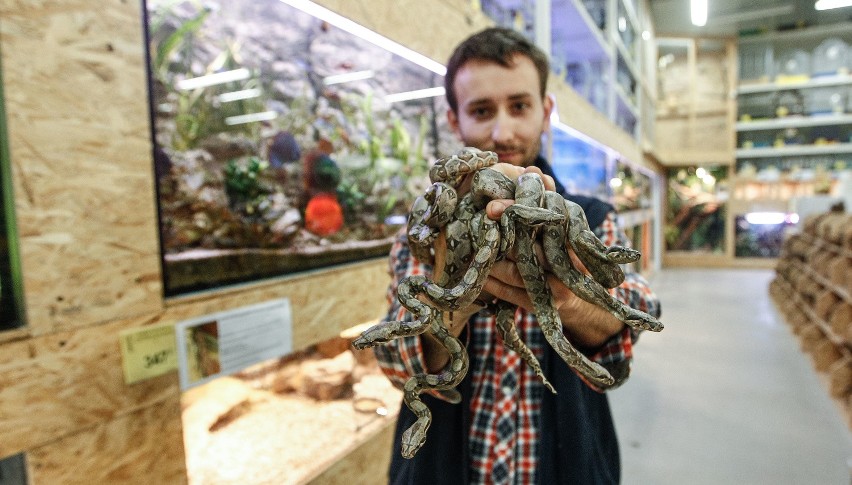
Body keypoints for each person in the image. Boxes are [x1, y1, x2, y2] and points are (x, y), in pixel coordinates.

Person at [372, 27, 661, 485]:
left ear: (546, 112)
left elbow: (634, 317)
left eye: (520, 106)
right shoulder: (426, 229)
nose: (502, 131)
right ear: (454, 120)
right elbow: (395, 359)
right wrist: (453, 295)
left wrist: (570, 299)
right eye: (482, 110)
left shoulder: (592, 217)